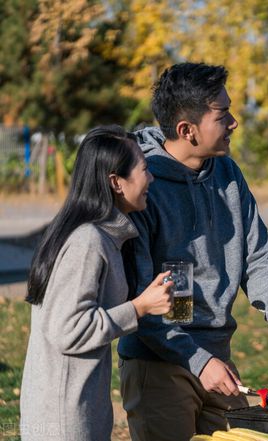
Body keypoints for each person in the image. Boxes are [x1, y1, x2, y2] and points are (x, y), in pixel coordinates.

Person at [117, 62, 268, 440]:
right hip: (157, 362)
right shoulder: (143, 183)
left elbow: (258, 257)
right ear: (187, 130)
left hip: (217, 363)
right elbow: (137, 296)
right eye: (222, 113)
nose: (234, 122)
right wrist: (197, 360)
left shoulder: (227, 172)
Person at [20, 126, 173, 441]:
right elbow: (68, 329)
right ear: (116, 182)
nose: (152, 179)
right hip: (64, 421)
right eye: (144, 170)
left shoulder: (101, 236)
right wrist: (140, 307)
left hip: (76, 412)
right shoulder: (88, 241)